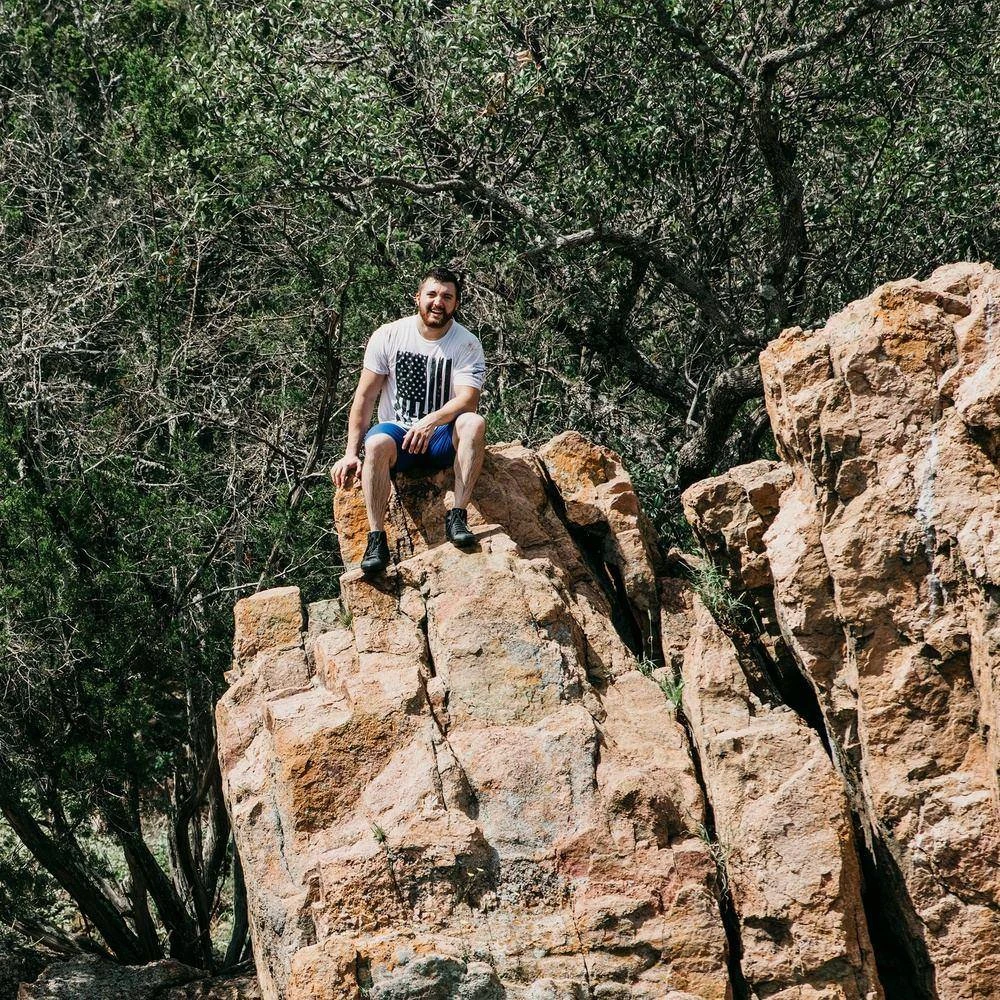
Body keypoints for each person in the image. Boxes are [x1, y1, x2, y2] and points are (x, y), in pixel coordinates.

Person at [331, 266, 487, 576]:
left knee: (474, 423)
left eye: (447, 296)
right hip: (399, 436)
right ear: (418, 297)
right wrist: (350, 452)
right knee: (374, 443)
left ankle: (457, 516)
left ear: (456, 303)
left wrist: (431, 421)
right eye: (431, 294)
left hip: (441, 436)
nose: (438, 302)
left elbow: (468, 399)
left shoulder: (466, 343)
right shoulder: (389, 335)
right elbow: (365, 397)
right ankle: (376, 540)